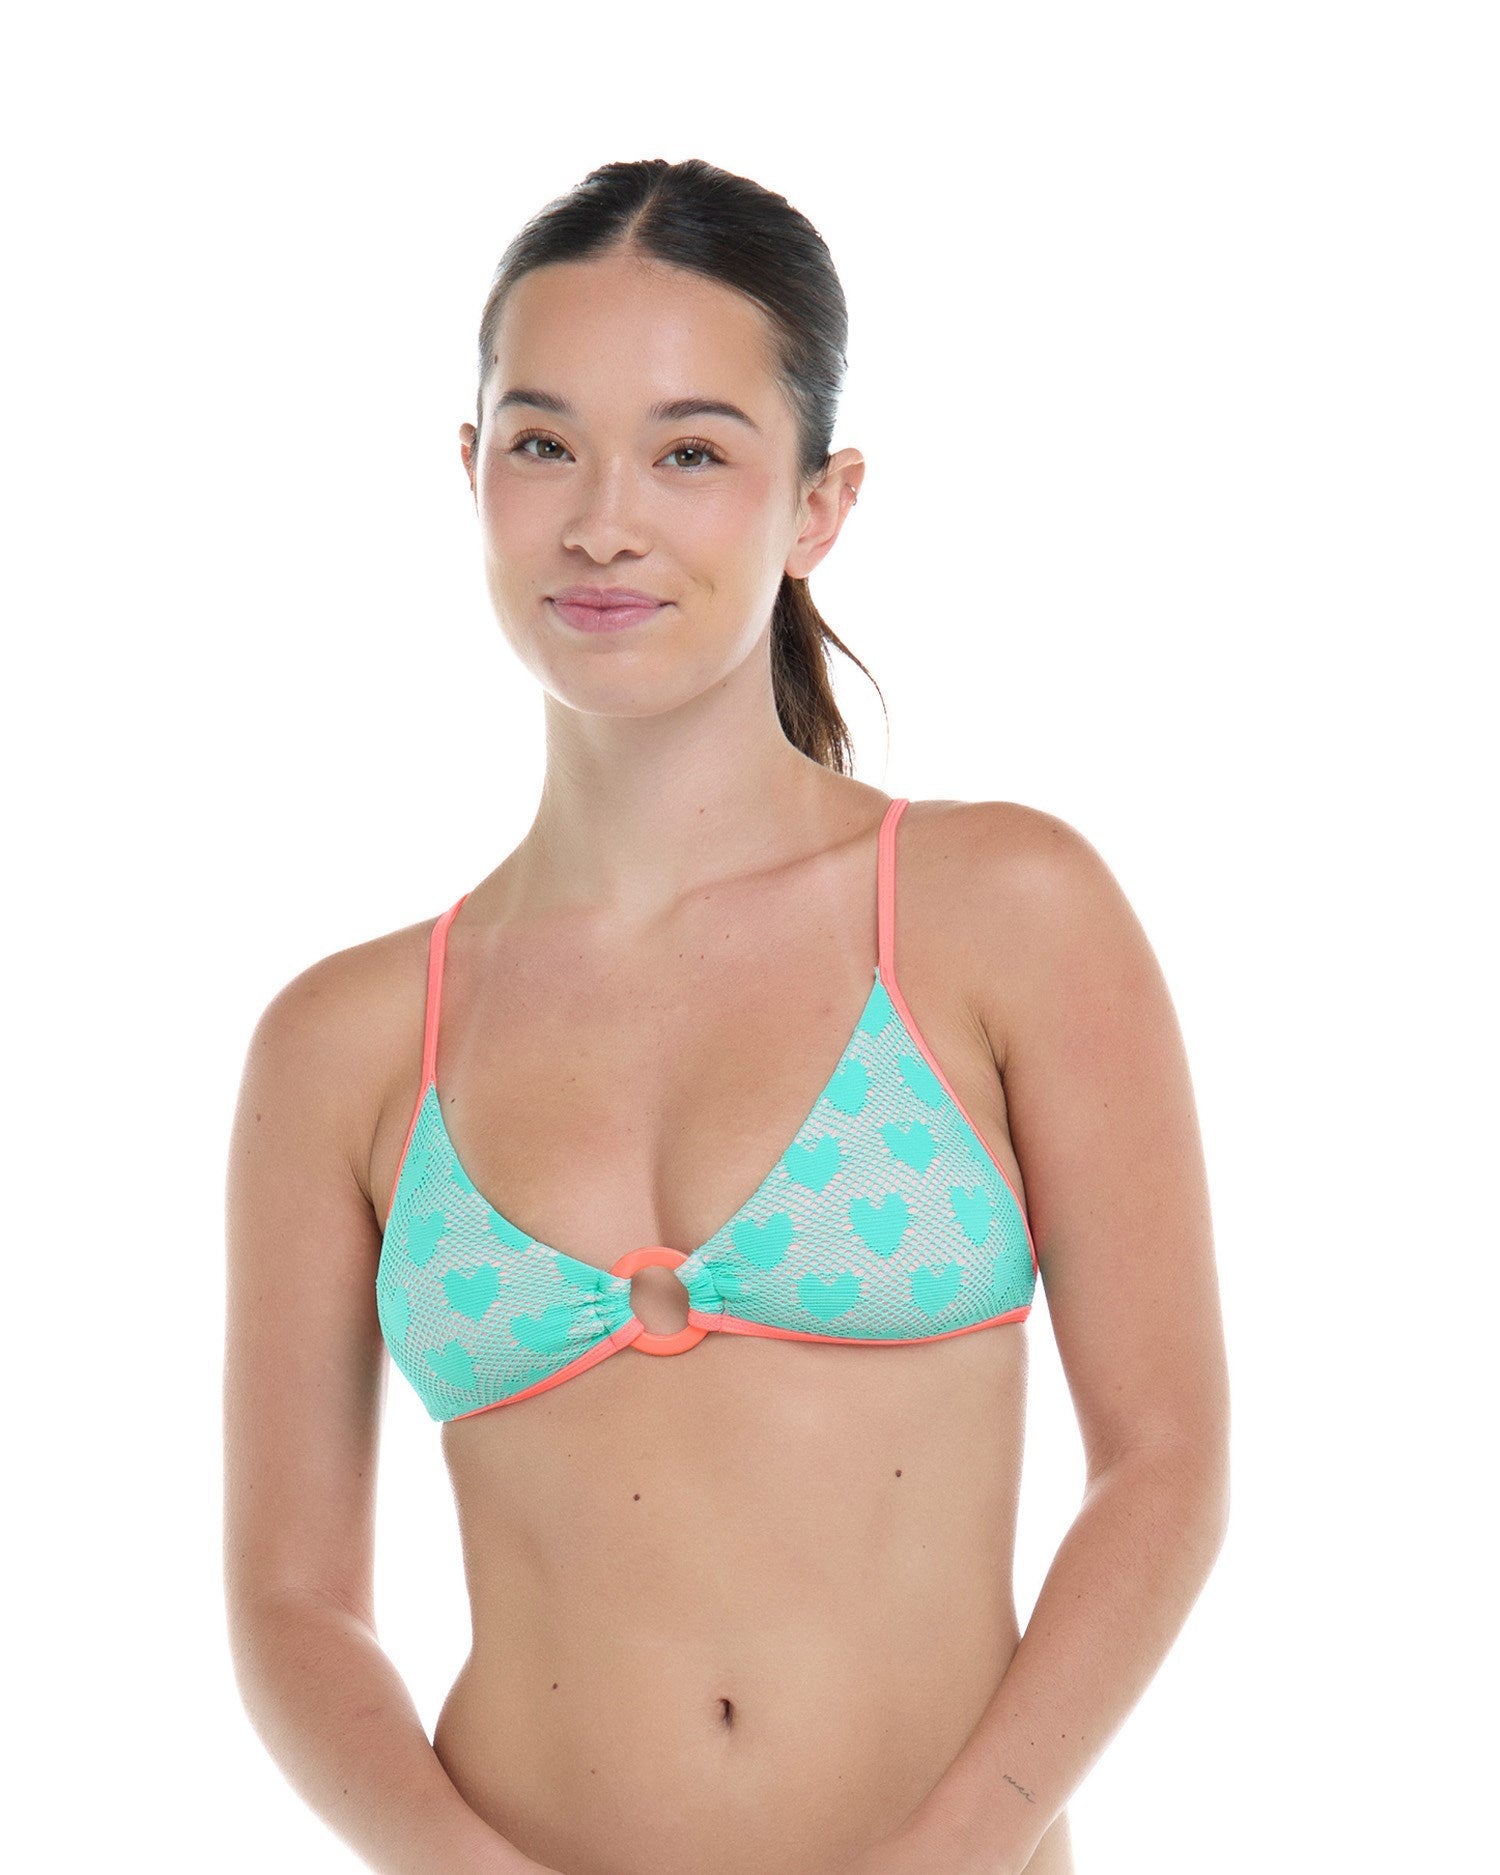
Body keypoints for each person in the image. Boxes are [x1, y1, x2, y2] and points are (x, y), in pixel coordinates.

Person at [223, 157, 1230, 1875]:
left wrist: (949, 1860)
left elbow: (1166, 1466)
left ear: (821, 506)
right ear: (471, 472)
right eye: (543, 444)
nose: (604, 522)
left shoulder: (1003, 910)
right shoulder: (345, 1043)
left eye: (691, 452)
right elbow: (291, 1603)